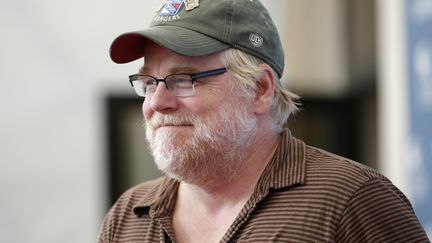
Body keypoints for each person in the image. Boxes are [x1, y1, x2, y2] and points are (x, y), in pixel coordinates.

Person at [98, 0, 429, 242]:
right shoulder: (128, 218)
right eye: (149, 83)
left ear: (259, 88)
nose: (156, 102)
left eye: (184, 80)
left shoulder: (348, 201)